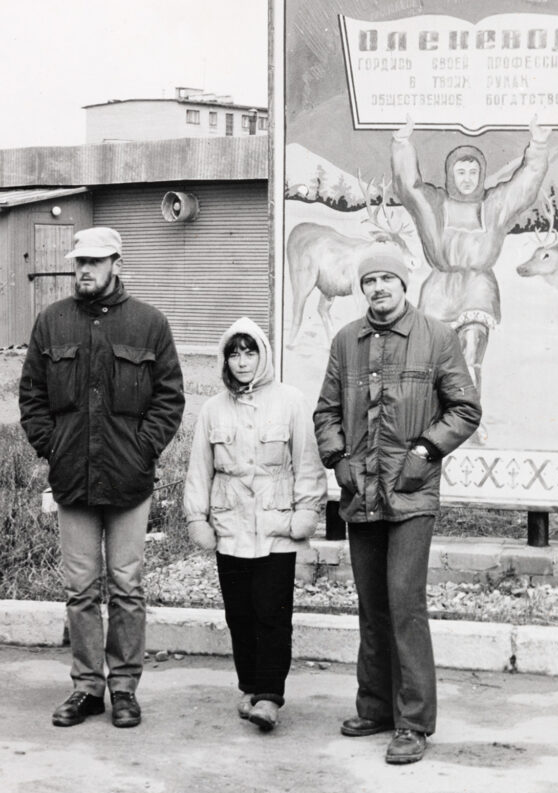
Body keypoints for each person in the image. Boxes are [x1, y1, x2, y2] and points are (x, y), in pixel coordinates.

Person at [313, 242, 481, 765]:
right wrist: (338, 459)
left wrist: (424, 452)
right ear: (361, 289)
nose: (378, 288)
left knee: (405, 604)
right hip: (360, 492)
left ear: (403, 284)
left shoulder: (437, 337)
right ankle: (375, 707)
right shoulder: (346, 341)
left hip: (411, 492)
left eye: (386, 279)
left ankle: (413, 722)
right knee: (372, 605)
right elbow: (326, 411)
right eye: (369, 281)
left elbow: (465, 408)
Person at [19, 227, 184, 728]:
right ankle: (87, 688)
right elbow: (32, 396)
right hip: (73, 478)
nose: (84, 270)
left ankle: (125, 688)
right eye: (79, 262)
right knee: (81, 588)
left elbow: (170, 397)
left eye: (94, 261)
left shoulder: (149, 323)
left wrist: (142, 449)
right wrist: (53, 448)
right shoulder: (52, 322)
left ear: (117, 263)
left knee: (127, 585)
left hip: (129, 480)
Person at [183, 317, 326, 732]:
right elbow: (200, 469)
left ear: (263, 355)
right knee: (239, 614)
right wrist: (197, 518)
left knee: (272, 614)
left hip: (277, 527)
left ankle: (269, 696)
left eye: (250, 352)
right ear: (225, 360)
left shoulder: (290, 401)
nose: (242, 362)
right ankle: (249, 686)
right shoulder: (213, 409)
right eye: (235, 354)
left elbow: (307, 462)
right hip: (230, 527)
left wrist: (306, 512)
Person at [391, 114, 550, 442]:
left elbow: (524, 185)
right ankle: (431, 422)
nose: (467, 178)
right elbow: (408, 186)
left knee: (470, 354)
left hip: (478, 289)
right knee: (432, 361)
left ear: (481, 174)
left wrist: (537, 145)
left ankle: (467, 422)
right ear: (451, 173)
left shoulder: (494, 204)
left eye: (473, 171)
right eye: (460, 171)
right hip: (439, 290)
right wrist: (402, 143)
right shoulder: (434, 203)